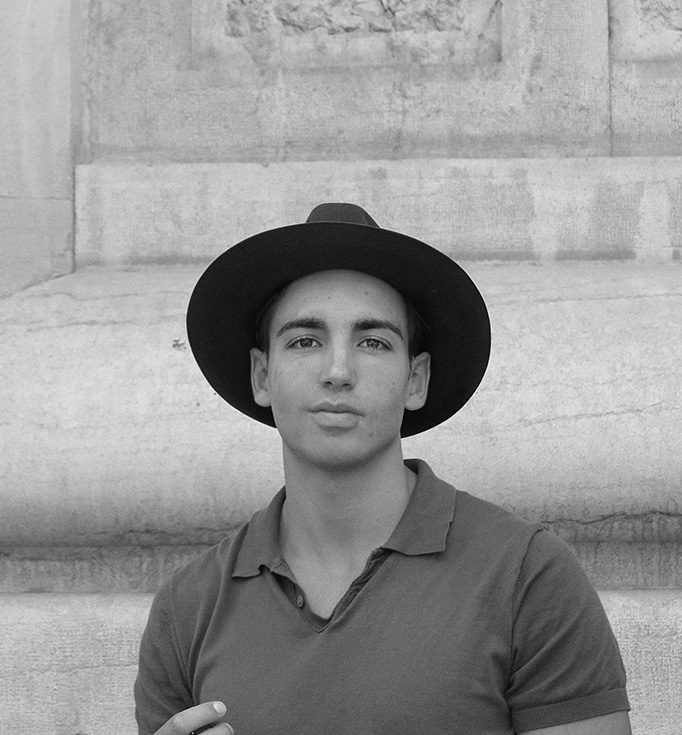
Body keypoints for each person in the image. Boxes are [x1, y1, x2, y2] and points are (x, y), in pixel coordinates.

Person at [135, 203, 631, 735]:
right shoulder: (188, 607)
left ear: (415, 379)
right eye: (305, 341)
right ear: (262, 375)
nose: (338, 371)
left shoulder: (526, 575)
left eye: (372, 342)